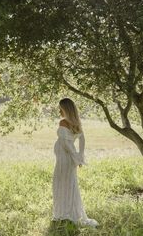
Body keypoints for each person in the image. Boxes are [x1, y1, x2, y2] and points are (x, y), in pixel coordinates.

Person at [52, 97, 99, 228]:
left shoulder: (63, 122)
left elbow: (67, 144)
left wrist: (76, 157)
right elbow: (82, 140)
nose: (59, 110)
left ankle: (64, 214)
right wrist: (79, 156)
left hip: (65, 160)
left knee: (60, 185)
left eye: (60, 108)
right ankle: (68, 213)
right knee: (70, 185)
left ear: (64, 109)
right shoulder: (76, 122)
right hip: (69, 159)